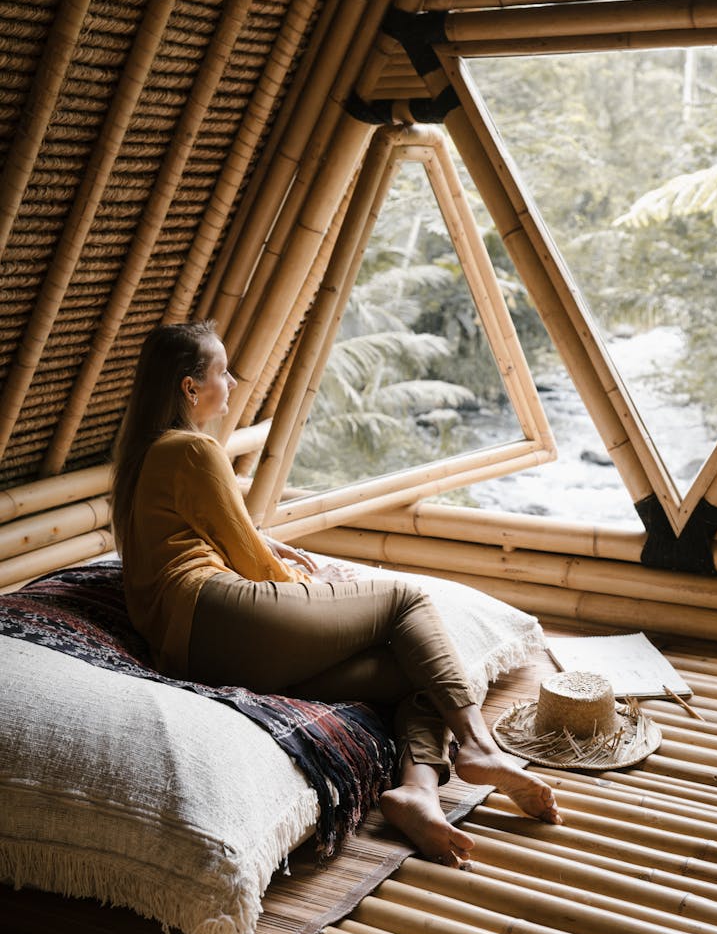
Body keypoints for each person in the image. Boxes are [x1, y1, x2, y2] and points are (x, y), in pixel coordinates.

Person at [111, 320, 561, 867]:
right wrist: (314, 585)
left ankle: (417, 791)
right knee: (406, 601)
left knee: (414, 673)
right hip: (213, 610)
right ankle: (481, 745)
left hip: (189, 651)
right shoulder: (190, 450)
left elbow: (219, 540)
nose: (232, 383)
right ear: (189, 387)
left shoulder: (140, 457)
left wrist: (282, 567)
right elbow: (252, 561)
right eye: (222, 372)